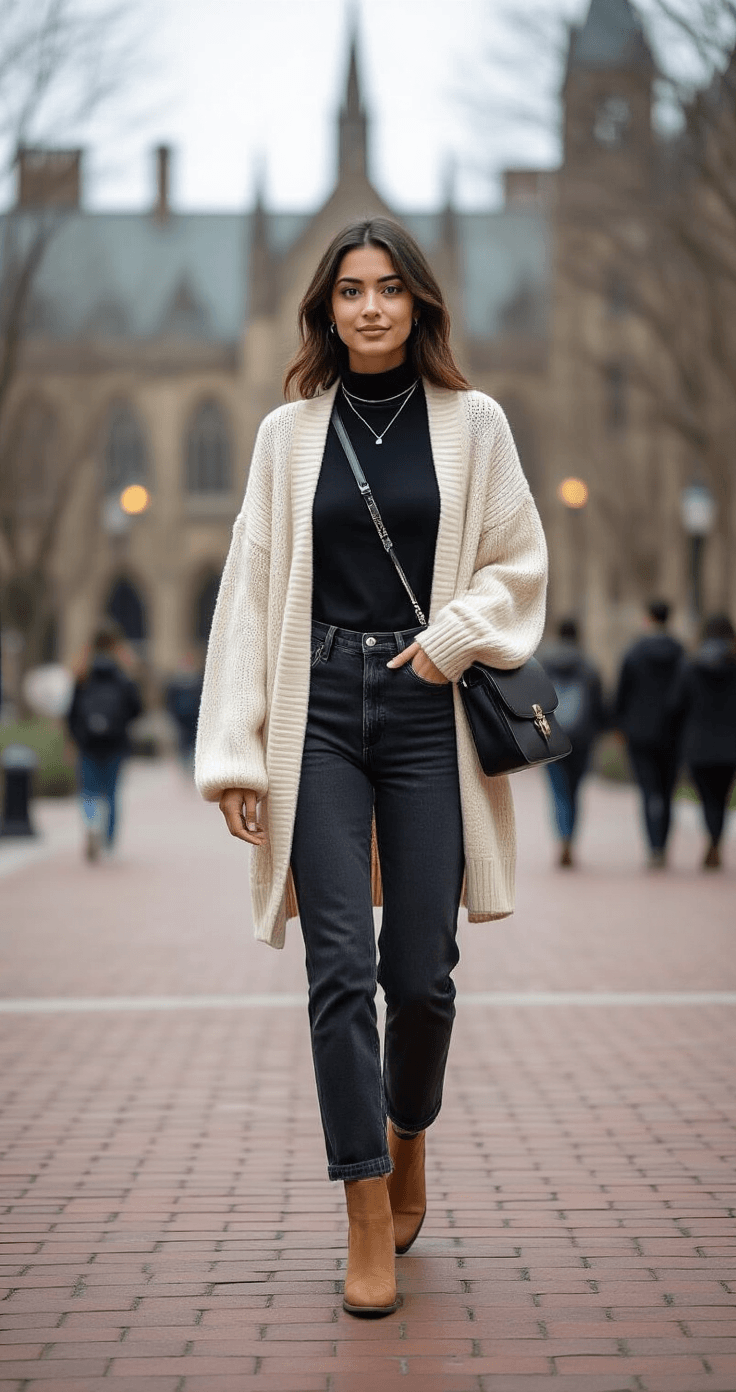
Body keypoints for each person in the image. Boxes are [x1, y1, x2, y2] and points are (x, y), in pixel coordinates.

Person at [194, 218, 547, 1318]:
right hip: (319, 713)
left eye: (390, 288)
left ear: (420, 303)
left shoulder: (473, 424)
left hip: (425, 709)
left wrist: (454, 635)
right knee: (338, 968)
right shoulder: (286, 435)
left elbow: (519, 559)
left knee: (422, 976)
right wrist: (238, 752)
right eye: (350, 291)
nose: (371, 308)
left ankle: (408, 1135)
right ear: (325, 308)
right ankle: (362, 1210)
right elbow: (250, 598)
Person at [614, 599, 683, 868]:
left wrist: (619, 725)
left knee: (647, 791)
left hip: (639, 732)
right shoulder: (680, 652)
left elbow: (622, 692)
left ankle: (653, 847)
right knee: (667, 792)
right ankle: (664, 844)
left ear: (648, 618)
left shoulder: (634, 652)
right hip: (672, 732)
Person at [67, 620, 142, 861]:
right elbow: (137, 709)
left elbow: (71, 711)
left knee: (89, 790)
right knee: (111, 793)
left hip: (87, 743)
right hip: (116, 742)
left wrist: (73, 738)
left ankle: (91, 825)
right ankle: (108, 841)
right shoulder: (122, 673)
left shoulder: (82, 672)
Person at [669, 614, 736, 870]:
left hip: (698, 744)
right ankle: (716, 839)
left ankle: (712, 838)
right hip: (730, 744)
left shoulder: (690, 666)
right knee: (723, 796)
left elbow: (676, 705)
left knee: (707, 797)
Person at [540, 618, 605, 868]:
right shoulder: (589, 666)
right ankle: (571, 839)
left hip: (552, 737)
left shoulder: (544, 663)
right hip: (582, 738)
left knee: (558, 791)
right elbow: (599, 705)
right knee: (575, 791)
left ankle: (562, 836)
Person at [165, 652, 203, 774]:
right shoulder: (174, 682)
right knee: (183, 742)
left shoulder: (198, 680)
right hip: (180, 718)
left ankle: (193, 764)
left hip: (195, 716)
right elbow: (169, 700)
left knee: (194, 742)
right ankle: (185, 765)